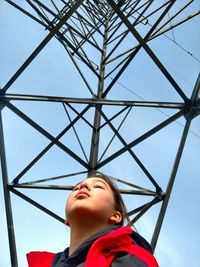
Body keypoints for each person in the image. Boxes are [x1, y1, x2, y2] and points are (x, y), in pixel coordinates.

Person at [26, 171, 159, 267]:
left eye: (98, 186)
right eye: (76, 188)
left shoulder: (132, 257)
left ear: (116, 216)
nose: (83, 187)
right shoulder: (43, 264)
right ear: (67, 220)